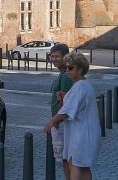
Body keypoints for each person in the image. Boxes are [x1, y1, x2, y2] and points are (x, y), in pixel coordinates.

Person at [44, 52, 100, 180]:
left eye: (71, 68)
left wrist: (52, 122)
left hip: (81, 133)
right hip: (83, 132)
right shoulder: (82, 85)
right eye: (67, 68)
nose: (67, 71)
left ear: (80, 70)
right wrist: (63, 99)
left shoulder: (80, 87)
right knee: (83, 166)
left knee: (74, 164)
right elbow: (71, 106)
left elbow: (67, 111)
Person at [48, 43, 74, 174]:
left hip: (62, 123)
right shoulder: (63, 74)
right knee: (65, 159)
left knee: (66, 159)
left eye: (57, 56)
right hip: (61, 121)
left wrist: (55, 121)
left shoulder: (66, 76)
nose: (53, 59)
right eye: (52, 56)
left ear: (65, 57)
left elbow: (64, 101)